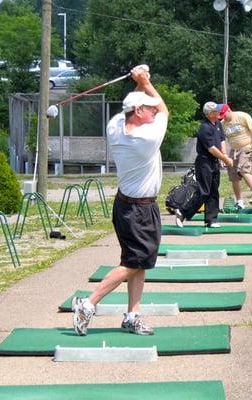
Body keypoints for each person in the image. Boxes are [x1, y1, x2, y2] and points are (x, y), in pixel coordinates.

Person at [71, 66, 168, 336]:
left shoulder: (115, 126)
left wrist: (138, 82)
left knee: (138, 262)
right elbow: (164, 108)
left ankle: (132, 315)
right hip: (139, 210)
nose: (154, 112)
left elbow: (137, 104)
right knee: (133, 263)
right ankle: (87, 303)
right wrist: (145, 80)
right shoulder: (146, 138)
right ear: (139, 113)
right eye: (149, 110)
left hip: (127, 206)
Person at [175, 102, 233, 228]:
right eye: (216, 111)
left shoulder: (217, 123)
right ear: (209, 114)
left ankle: (211, 220)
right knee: (204, 191)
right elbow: (211, 148)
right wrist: (225, 159)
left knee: (213, 190)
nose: (219, 113)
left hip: (214, 161)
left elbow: (222, 139)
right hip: (204, 162)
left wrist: (224, 155)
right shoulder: (204, 127)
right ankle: (182, 212)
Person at [218, 104, 252, 208]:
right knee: (233, 175)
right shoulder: (222, 124)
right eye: (220, 116)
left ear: (228, 110)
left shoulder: (242, 116)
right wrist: (222, 156)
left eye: (223, 114)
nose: (223, 117)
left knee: (243, 169)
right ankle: (239, 202)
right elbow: (222, 140)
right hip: (234, 150)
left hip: (247, 146)